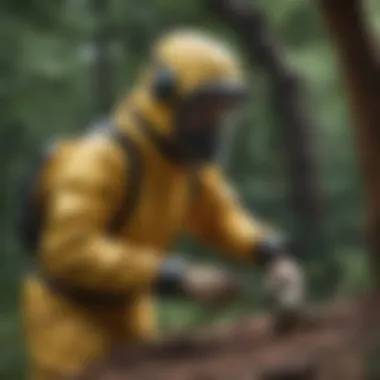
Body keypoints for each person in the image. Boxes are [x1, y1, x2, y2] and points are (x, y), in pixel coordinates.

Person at [22, 29, 304, 380]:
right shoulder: (102, 158)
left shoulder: (185, 165)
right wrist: (176, 276)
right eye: (204, 107)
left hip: (130, 311)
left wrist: (272, 254)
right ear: (165, 96)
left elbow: (224, 219)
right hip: (68, 321)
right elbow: (67, 250)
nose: (214, 121)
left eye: (222, 108)